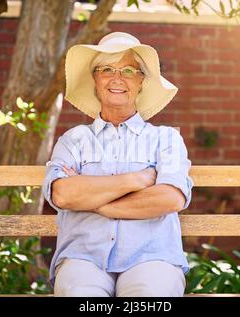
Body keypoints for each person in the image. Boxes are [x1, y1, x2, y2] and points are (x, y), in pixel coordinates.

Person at [42, 32, 194, 297]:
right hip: (83, 257)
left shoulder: (166, 139)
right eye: (107, 69)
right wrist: (136, 180)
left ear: (141, 81)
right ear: (95, 79)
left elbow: (170, 199)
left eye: (127, 70)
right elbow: (63, 194)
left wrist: (94, 201)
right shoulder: (73, 140)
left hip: (152, 257)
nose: (117, 78)